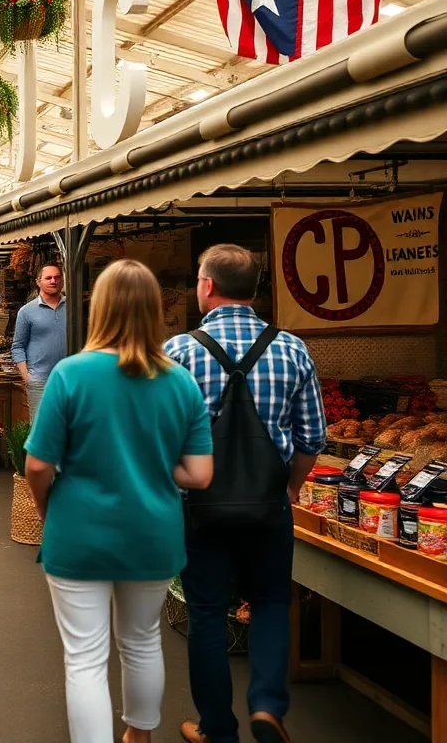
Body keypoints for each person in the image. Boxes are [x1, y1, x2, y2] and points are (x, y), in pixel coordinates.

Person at [23, 259, 214, 743]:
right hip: (153, 532)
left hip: (78, 531)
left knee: (85, 658)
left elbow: (38, 465)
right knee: (143, 640)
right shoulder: (180, 381)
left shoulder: (71, 374)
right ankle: (139, 735)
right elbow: (199, 474)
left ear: (99, 308)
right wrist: (151, 460)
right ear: (154, 310)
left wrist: (47, 511)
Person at [164, 245, 326, 743]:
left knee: (207, 613)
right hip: (268, 504)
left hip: (199, 507)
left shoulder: (179, 352)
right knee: (272, 601)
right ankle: (268, 706)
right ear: (255, 289)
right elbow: (312, 438)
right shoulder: (291, 348)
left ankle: (217, 728)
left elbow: (160, 436)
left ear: (208, 285)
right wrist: (291, 486)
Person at [12, 264, 68, 416]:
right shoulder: (26, 312)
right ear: (38, 282)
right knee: (41, 423)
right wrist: (27, 377)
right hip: (40, 380)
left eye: (57, 277)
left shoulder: (73, 307)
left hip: (70, 377)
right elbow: (18, 346)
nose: (53, 281)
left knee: (70, 424)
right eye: (48, 278)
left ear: (62, 280)